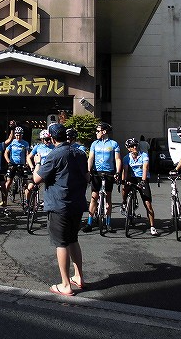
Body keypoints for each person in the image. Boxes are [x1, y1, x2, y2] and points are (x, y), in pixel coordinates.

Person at [32, 123, 88, 296]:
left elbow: (37, 179)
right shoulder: (79, 153)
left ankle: (65, 284)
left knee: (61, 243)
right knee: (73, 239)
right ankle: (78, 277)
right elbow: (87, 176)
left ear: (52, 138)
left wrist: (37, 163)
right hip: (77, 203)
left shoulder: (53, 155)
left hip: (59, 204)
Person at [84, 122, 121, 233]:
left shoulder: (114, 144)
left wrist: (118, 172)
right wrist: (88, 170)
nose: (96, 133)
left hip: (109, 172)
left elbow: (117, 159)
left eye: (98, 131)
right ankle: (89, 223)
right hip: (97, 172)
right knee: (94, 197)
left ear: (104, 132)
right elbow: (90, 158)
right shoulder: (94, 144)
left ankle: (108, 223)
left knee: (108, 198)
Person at [121, 138, 158, 236]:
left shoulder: (144, 155)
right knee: (124, 188)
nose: (135, 147)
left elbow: (145, 168)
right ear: (128, 148)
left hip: (142, 178)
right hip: (132, 178)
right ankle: (124, 202)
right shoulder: (126, 158)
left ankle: (152, 227)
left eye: (136, 145)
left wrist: (143, 181)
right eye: (132, 146)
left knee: (148, 204)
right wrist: (123, 180)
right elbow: (125, 170)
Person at [25, 129, 55, 206]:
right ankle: (28, 202)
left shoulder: (54, 147)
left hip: (50, 171)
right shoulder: (37, 147)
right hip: (39, 170)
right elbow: (28, 157)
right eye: (46, 139)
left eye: (50, 139)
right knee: (30, 187)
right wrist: (31, 166)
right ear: (42, 139)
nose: (48, 141)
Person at [4, 126, 30, 203]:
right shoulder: (12, 142)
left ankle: (27, 200)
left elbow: (27, 154)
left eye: (20, 135)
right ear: (15, 135)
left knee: (25, 183)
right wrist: (9, 162)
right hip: (13, 164)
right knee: (9, 181)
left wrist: (27, 163)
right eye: (17, 135)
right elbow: (6, 153)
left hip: (22, 164)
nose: (18, 136)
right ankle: (4, 197)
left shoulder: (25, 143)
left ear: (22, 135)